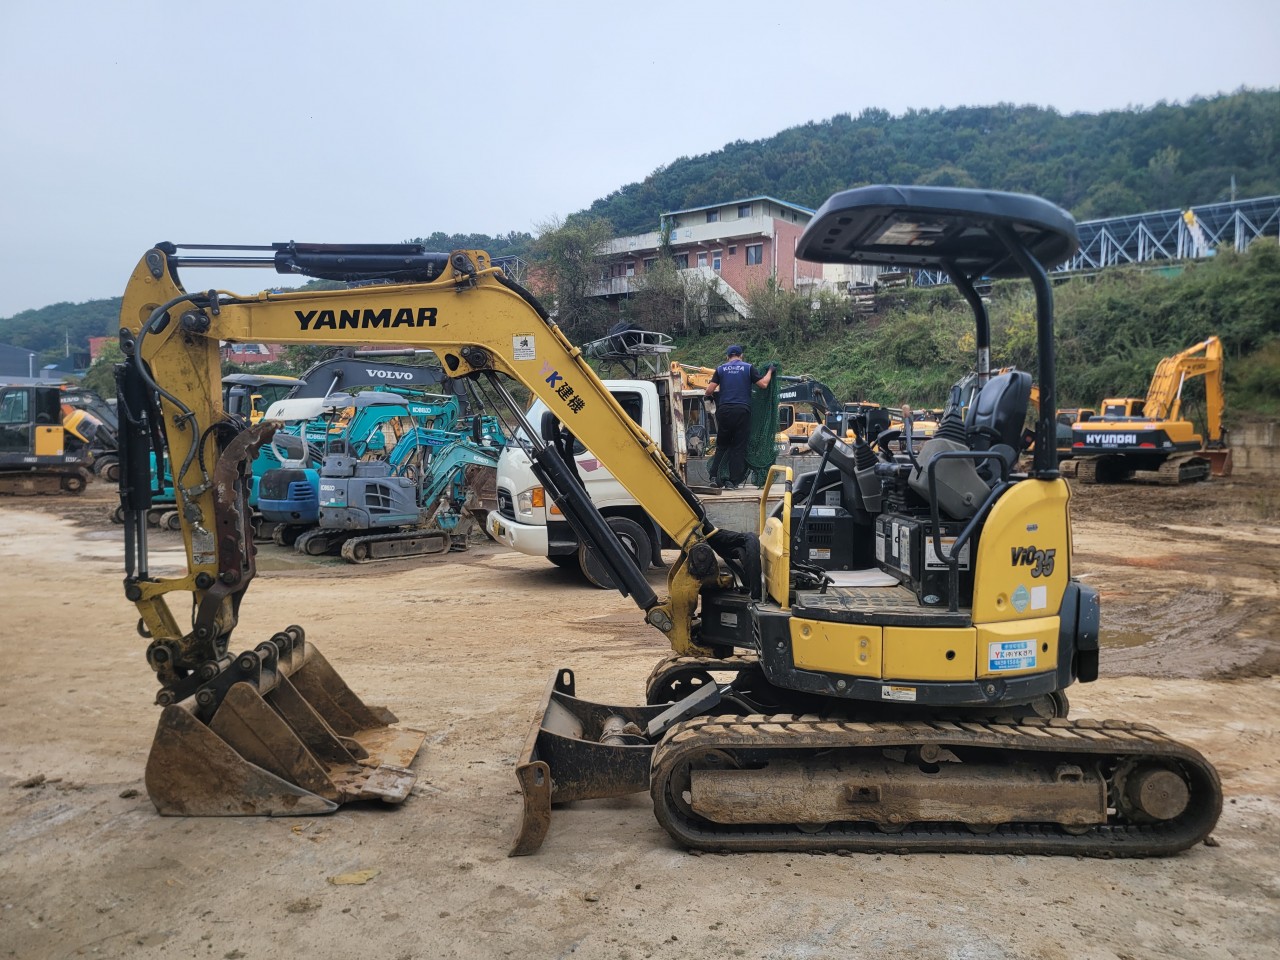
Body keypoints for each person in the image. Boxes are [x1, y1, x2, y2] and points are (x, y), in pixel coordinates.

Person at [705, 344, 773, 488]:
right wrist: (770, 371)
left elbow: (709, 390)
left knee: (722, 446)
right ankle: (732, 481)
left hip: (724, 411)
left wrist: (711, 397)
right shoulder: (748, 368)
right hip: (742, 411)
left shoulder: (720, 369)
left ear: (727, 357)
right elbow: (764, 384)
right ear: (741, 356)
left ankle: (714, 477)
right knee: (738, 447)